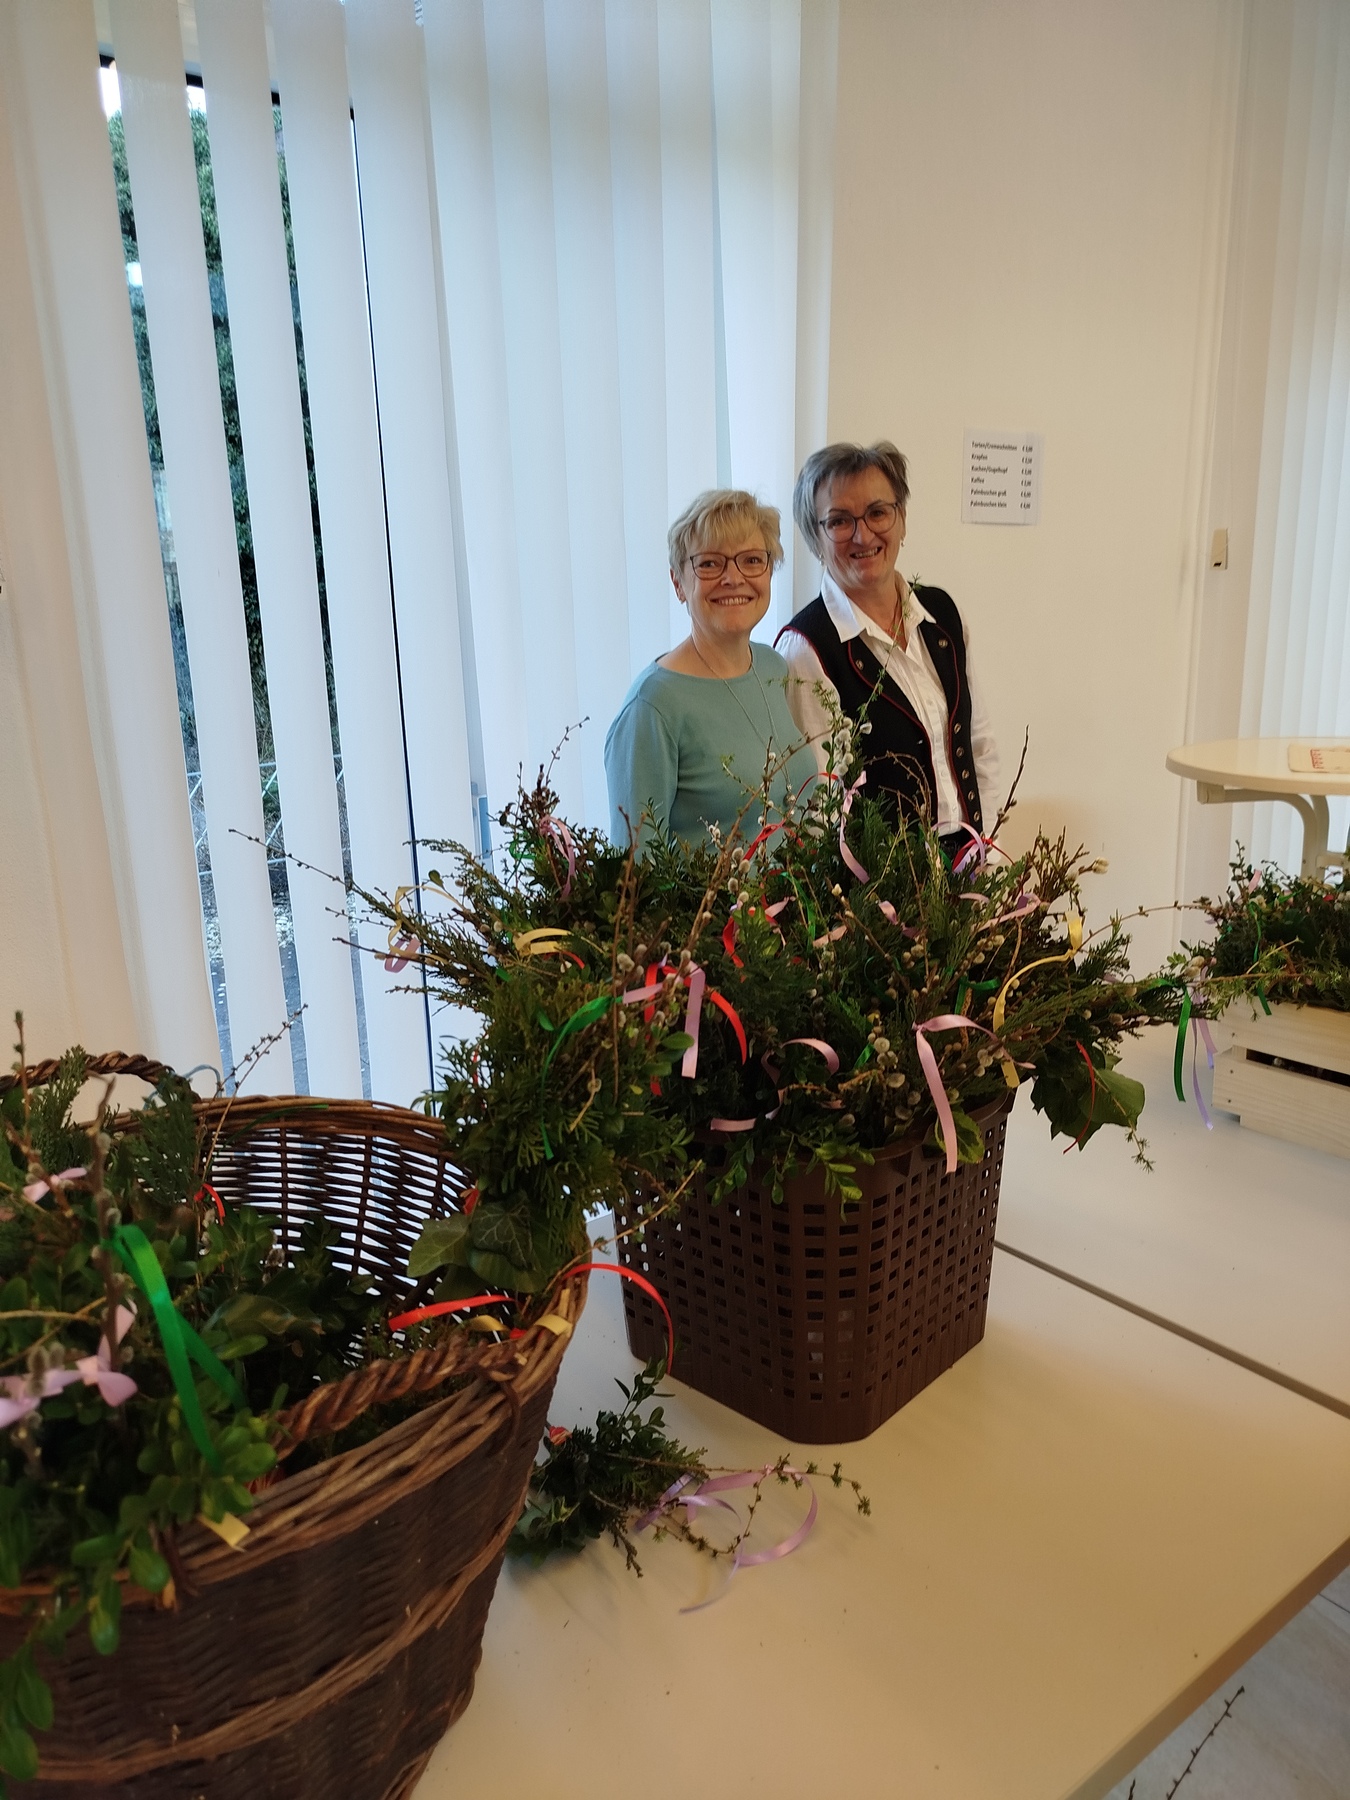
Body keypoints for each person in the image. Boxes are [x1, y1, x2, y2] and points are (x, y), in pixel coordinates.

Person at [777, 440, 999, 854]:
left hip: (970, 861)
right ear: (814, 537)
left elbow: (978, 745)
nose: (863, 534)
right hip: (879, 886)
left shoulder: (942, 614)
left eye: (878, 512)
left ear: (902, 519)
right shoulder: (806, 648)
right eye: (839, 521)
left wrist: (987, 854)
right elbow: (819, 809)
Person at [605, 489, 818, 853]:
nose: (733, 578)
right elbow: (635, 865)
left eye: (752, 560)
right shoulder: (652, 706)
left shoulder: (772, 666)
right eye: (709, 564)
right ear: (678, 583)